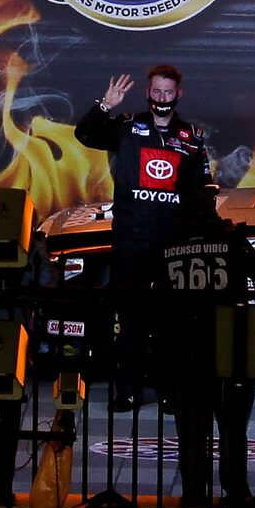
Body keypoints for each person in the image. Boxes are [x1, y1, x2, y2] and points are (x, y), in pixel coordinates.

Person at [78, 64, 217, 408]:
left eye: (168, 92)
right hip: (131, 238)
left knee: (172, 320)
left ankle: (169, 390)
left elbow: (203, 189)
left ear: (178, 94)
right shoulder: (126, 126)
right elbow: (85, 134)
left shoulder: (192, 137)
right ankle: (128, 389)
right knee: (130, 319)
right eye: (157, 92)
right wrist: (105, 105)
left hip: (173, 243)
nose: (162, 98)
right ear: (148, 93)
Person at [152, 186, 255, 505]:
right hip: (229, 348)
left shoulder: (168, 245)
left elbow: (159, 301)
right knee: (232, 428)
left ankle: (194, 495)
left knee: (192, 431)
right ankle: (237, 491)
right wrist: (238, 240)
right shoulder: (229, 242)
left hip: (185, 350)